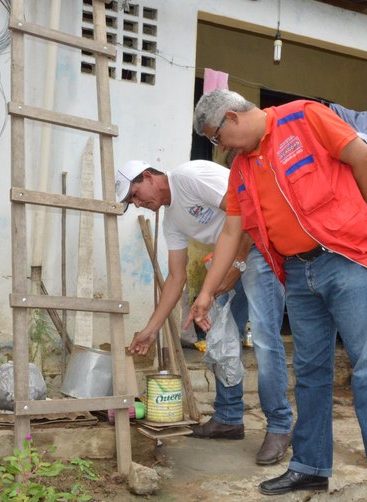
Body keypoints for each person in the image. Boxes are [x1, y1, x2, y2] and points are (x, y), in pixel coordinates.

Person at [188, 90, 367, 502]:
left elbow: (364, 160)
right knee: (309, 370)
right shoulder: (240, 170)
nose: (222, 147)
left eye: (218, 137)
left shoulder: (305, 117)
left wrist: (361, 230)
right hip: (297, 272)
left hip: (345, 260)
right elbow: (232, 233)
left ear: (232, 117)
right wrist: (205, 293)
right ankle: (310, 465)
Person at [116, 159, 294, 465]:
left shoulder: (190, 176)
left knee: (264, 338)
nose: (137, 204)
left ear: (147, 176)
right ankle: (228, 417)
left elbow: (249, 210)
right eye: (132, 202)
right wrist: (151, 329)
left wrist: (236, 266)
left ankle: (279, 426)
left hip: (261, 247)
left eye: (134, 195)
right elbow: (176, 277)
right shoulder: (171, 219)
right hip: (230, 258)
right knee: (221, 338)